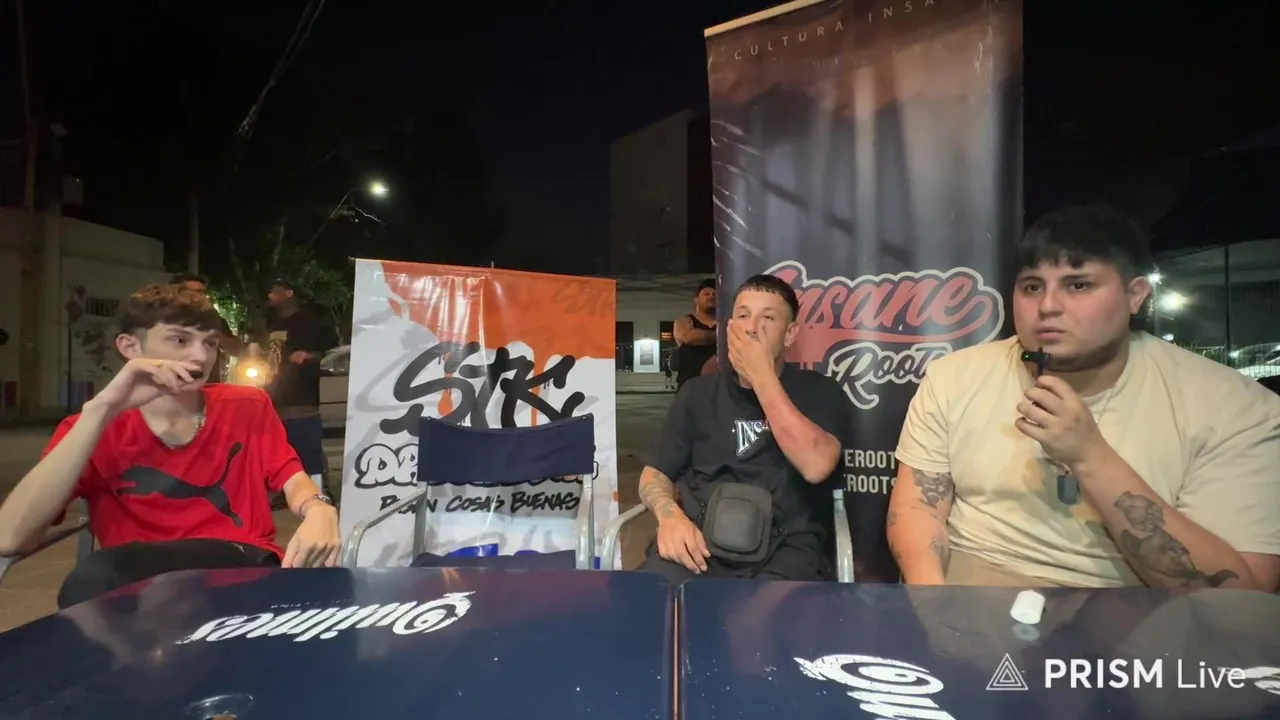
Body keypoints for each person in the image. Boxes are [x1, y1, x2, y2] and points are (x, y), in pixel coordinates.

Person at [888, 205, 1280, 591]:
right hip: (972, 596)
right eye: (1032, 287)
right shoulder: (955, 376)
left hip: (1142, 611)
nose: (1048, 307)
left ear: (1135, 295)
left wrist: (1089, 455)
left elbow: (1240, 600)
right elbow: (917, 509)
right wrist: (933, 602)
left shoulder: (1235, 407)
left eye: (1078, 285)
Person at [0, 283, 341, 608]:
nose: (200, 356)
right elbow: (10, 538)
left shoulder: (246, 405)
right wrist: (100, 411)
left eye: (210, 343)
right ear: (130, 347)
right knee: (95, 579)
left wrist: (318, 508)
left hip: (240, 566)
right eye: (180, 340)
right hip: (138, 591)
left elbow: (291, 477)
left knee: (96, 577)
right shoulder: (90, 427)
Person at [637, 274, 848, 584]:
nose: (752, 327)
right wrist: (670, 517)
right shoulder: (697, 393)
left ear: (790, 335)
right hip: (701, 545)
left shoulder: (820, 392)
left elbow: (817, 466)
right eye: (743, 316)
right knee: (647, 600)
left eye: (768, 318)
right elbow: (654, 475)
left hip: (785, 553)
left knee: (758, 615)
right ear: (729, 328)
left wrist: (762, 377)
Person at [260, 280, 332, 419]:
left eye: (275, 291)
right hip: (276, 399)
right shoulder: (275, 324)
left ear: (289, 293)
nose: (270, 295)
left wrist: (307, 355)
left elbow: (327, 354)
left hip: (301, 402)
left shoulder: (308, 321)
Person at [169, 273, 241, 382]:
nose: (201, 297)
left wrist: (215, 332)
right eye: (196, 292)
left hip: (207, 383)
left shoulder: (214, 318)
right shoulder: (163, 317)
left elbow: (236, 350)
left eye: (203, 293)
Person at [673, 279, 718, 391]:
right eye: (707, 294)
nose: (711, 296)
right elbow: (689, 337)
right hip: (689, 387)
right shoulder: (684, 321)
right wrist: (722, 336)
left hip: (718, 387)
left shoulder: (726, 322)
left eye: (714, 294)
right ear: (696, 300)